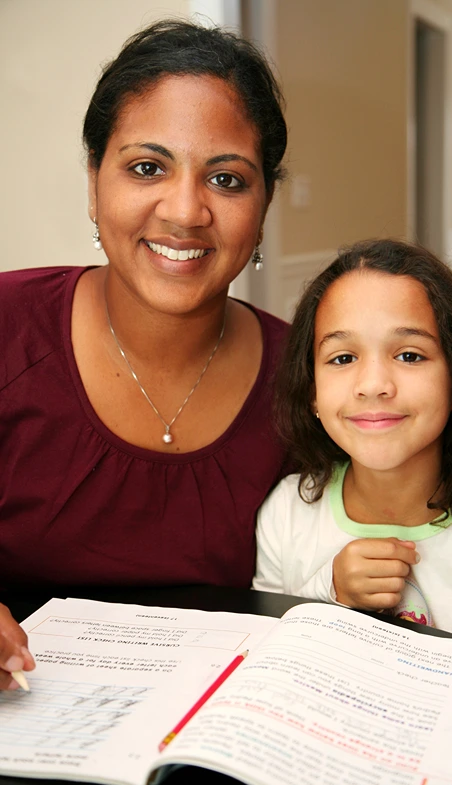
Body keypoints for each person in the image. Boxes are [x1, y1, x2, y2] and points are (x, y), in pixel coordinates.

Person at [0, 20, 289, 689]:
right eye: (147, 167)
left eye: (226, 178)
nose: (186, 211)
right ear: (95, 180)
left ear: (264, 204)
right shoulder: (8, 329)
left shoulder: (309, 381)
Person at [253, 238, 452, 643]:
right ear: (313, 392)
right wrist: (329, 591)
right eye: (343, 358)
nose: (373, 385)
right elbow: (266, 642)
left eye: (409, 355)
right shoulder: (288, 514)